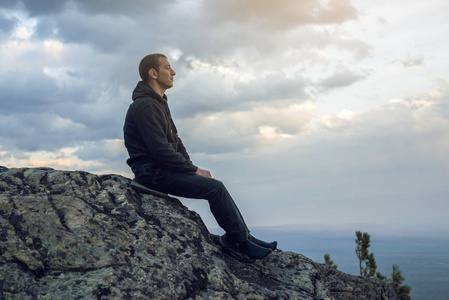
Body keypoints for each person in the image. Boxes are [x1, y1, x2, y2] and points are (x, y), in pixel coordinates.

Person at [123, 53, 277, 259]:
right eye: (168, 68)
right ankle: (237, 242)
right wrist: (193, 170)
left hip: (161, 169)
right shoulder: (145, 106)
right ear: (153, 73)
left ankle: (245, 236)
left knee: (213, 184)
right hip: (151, 174)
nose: (173, 72)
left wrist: (190, 167)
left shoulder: (158, 103)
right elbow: (160, 151)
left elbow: (176, 142)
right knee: (215, 188)